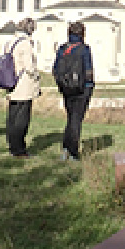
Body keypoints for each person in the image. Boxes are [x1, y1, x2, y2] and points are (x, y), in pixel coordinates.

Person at [54, 21, 94, 161]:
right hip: (81, 89)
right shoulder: (84, 49)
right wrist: (89, 88)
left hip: (66, 89)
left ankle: (65, 148)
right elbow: (88, 70)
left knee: (71, 118)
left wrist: (61, 84)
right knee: (76, 120)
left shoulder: (62, 49)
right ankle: (72, 151)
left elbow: (55, 69)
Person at [5, 18, 41, 158]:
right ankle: (19, 149)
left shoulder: (10, 42)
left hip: (11, 82)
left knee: (12, 116)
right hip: (23, 84)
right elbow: (29, 66)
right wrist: (37, 75)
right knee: (22, 118)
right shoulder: (25, 44)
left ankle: (12, 145)